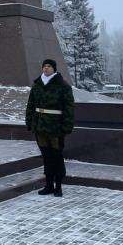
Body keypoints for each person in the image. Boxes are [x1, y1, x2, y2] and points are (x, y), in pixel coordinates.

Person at [26, 59, 75, 197]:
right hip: (40, 125)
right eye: (44, 66)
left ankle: (58, 186)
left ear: (54, 69)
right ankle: (48, 185)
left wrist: (67, 126)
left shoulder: (63, 86)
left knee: (57, 156)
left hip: (56, 127)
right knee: (46, 157)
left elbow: (69, 108)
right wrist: (29, 122)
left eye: (49, 66)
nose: (46, 69)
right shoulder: (37, 85)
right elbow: (30, 105)